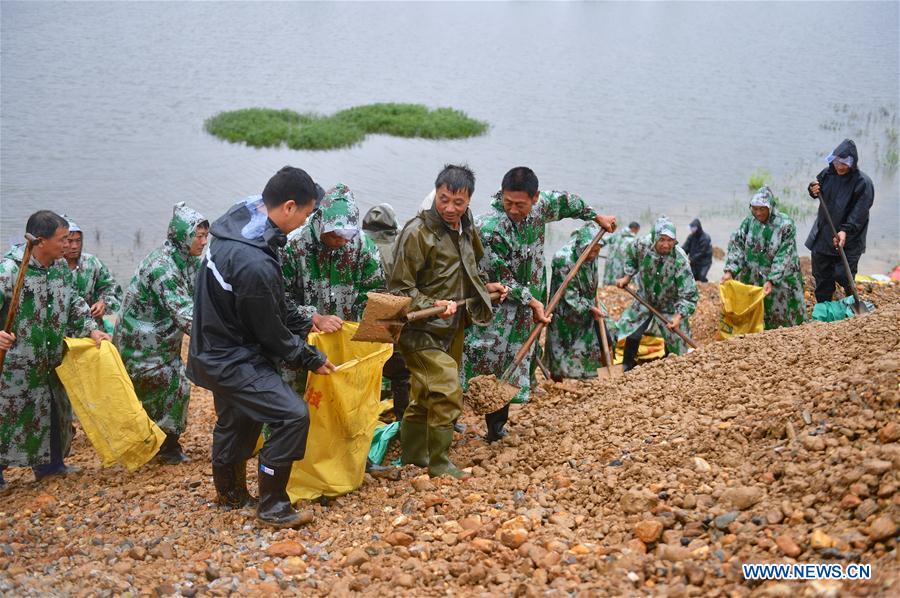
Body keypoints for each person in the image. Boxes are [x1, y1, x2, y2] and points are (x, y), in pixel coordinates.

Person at [187, 166, 336, 529]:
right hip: (231, 356)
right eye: (305, 214)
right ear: (288, 206)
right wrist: (310, 358)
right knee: (292, 416)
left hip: (213, 343)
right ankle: (273, 504)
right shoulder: (254, 263)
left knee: (240, 416)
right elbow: (271, 331)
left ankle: (230, 494)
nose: (305, 222)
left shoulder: (245, 214)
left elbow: (271, 302)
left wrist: (307, 321)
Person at [463, 166, 616, 442]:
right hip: (499, 308)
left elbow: (567, 202)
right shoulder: (490, 229)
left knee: (518, 358)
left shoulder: (541, 207)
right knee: (487, 358)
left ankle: (496, 429)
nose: (513, 209)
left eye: (520, 204)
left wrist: (596, 217)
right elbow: (500, 278)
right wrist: (531, 301)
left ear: (534, 198)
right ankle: (452, 419)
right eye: (508, 202)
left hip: (529, 302)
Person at [389, 164, 507, 478]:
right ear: (436, 193)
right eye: (443, 199)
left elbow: (470, 270)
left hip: (453, 328)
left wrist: (486, 288)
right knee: (446, 389)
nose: (450, 208)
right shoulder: (417, 232)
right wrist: (433, 304)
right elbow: (399, 289)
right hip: (420, 330)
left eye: (458, 202)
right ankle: (440, 462)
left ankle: (414, 457)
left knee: (425, 395)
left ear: (469, 201)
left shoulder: (466, 228)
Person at [0, 211, 110, 493]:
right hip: (17, 366)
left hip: (51, 360)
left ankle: (50, 466)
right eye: (61, 239)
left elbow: (73, 303)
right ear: (40, 241)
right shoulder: (10, 271)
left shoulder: (59, 268)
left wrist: (91, 329)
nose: (67, 245)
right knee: (9, 416)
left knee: (53, 410)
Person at [114, 203, 208, 465]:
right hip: (139, 342)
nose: (203, 242)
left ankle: (162, 443)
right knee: (171, 384)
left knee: (171, 386)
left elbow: (205, 296)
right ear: (181, 236)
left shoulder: (190, 261)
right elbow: (185, 314)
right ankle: (163, 446)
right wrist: (225, 337)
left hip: (164, 341)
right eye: (197, 236)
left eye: (205, 236)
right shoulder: (162, 267)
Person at [282, 183, 384, 333]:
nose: (342, 241)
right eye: (336, 235)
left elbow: (375, 292)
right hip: (306, 333)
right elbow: (279, 297)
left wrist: (375, 323)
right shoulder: (293, 245)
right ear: (322, 225)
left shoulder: (365, 246)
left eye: (348, 235)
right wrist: (313, 317)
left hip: (347, 333)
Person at [616, 216, 699, 371]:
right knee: (631, 330)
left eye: (670, 240)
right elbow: (631, 255)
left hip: (670, 304)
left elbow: (690, 295)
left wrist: (678, 316)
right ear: (654, 238)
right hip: (645, 299)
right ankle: (627, 363)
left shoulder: (680, 260)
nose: (666, 244)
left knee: (676, 342)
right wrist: (627, 276)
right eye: (662, 240)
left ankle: (670, 362)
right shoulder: (642, 245)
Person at [723, 187, 807, 329]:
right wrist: (730, 270)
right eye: (755, 209)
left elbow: (783, 255)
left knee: (784, 316)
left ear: (770, 208)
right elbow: (737, 245)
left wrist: (772, 280)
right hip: (754, 277)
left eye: (762, 209)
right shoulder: (749, 222)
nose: (758, 213)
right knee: (756, 315)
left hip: (781, 279)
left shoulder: (785, 225)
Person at [805, 138, 875, 303]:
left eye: (844, 163)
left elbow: (860, 213)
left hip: (850, 238)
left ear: (852, 163)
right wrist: (812, 189)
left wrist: (845, 231)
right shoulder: (827, 174)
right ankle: (824, 307)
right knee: (822, 276)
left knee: (844, 275)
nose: (839, 167)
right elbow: (817, 190)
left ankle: (852, 302)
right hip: (824, 234)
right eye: (837, 162)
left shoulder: (863, 183)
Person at [546, 223, 617, 380]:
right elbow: (569, 295)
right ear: (580, 246)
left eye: (597, 251)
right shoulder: (563, 260)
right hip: (566, 310)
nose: (593, 254)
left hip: (589, 304)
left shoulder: (592, 250)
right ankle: (556, 381)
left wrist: (593, 303)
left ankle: (602, 376)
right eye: (590, 250)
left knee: (605, 335)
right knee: (562, 348)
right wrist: (589, 308)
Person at [362, 202, 411, 422]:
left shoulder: (360, 245)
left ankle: (364, 418)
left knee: (365, 370)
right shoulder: (399, 248)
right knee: (401, 373)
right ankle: (403, 421)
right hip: (392, 315)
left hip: (362, 318)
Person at [60, 215, 123, 333]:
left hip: (92, 330)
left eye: (78, 241)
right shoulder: (50, 266)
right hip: (61, 331)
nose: (74, 246)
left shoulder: (92, 263)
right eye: (69, 241)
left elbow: (112, 289)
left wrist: (103, 302)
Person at [602, 221, 640, 286]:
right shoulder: (632, 241)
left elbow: (603, 241)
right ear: (634, 229)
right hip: (621, 268)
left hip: (610, 266)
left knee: (607, 288)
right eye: (637, 231)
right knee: (618, 287)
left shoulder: (616, 235)